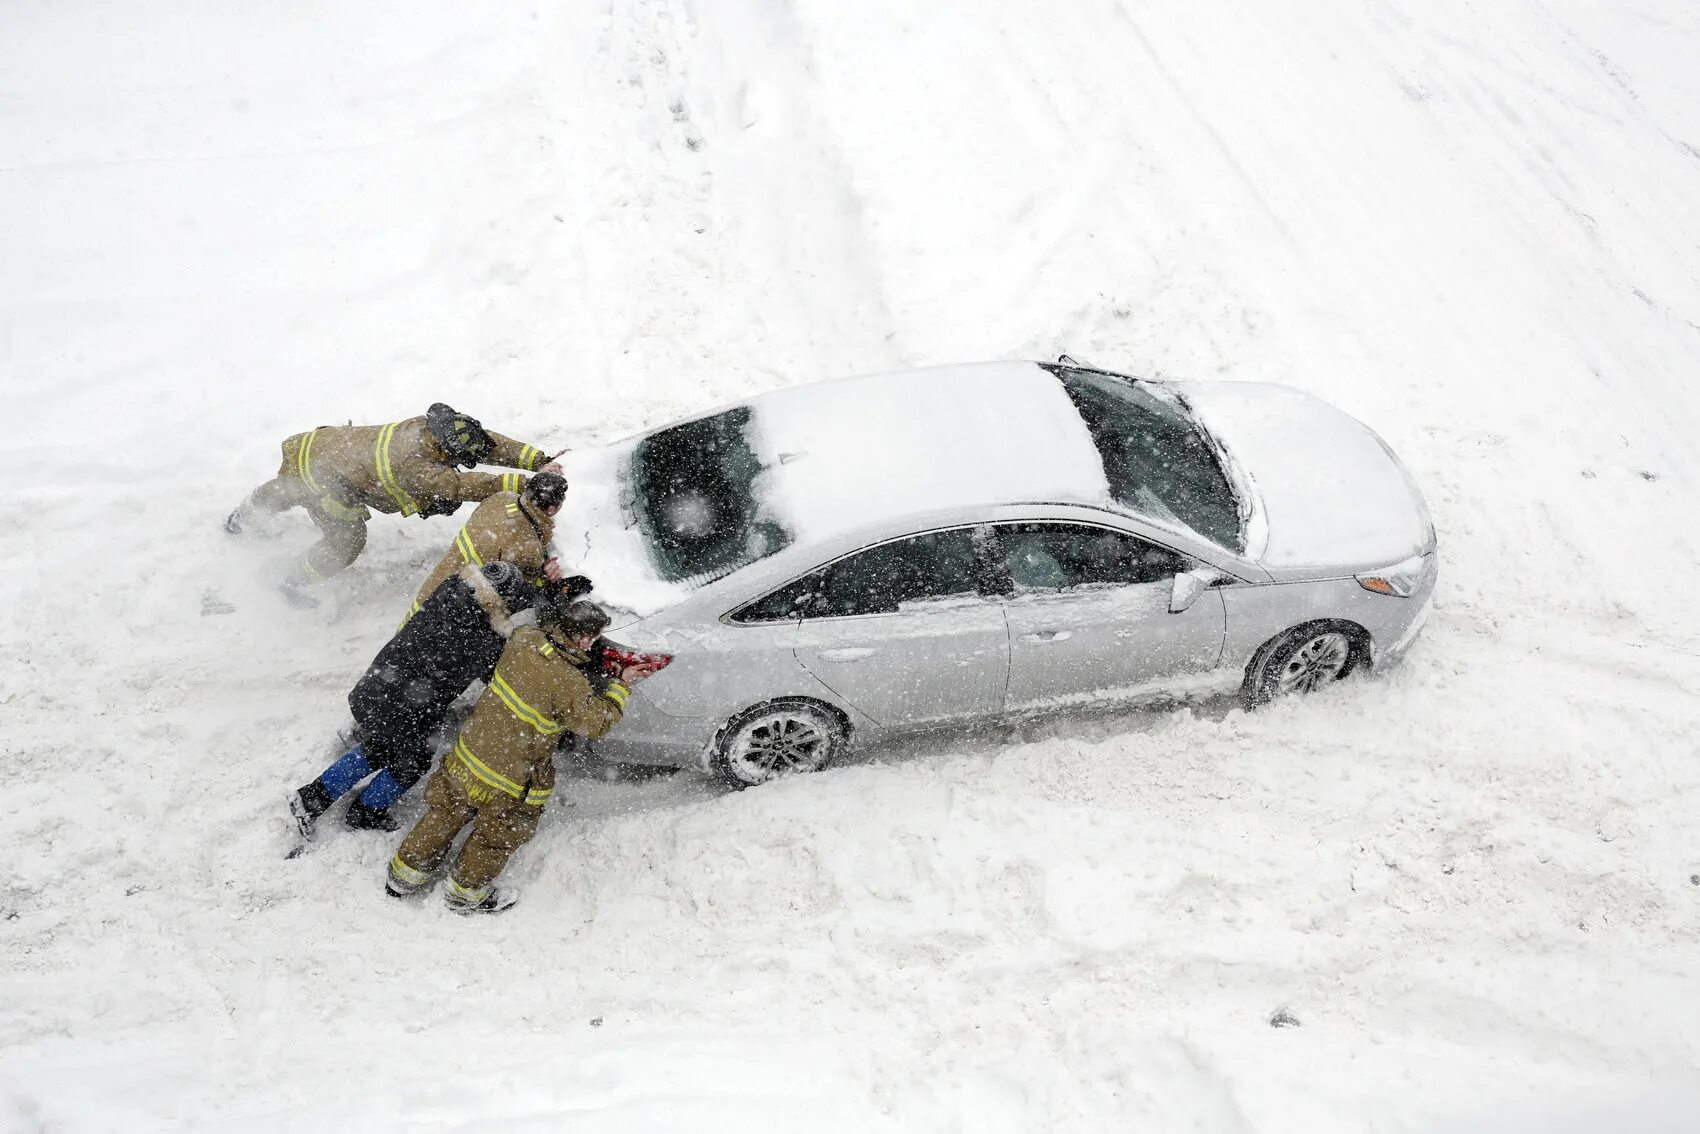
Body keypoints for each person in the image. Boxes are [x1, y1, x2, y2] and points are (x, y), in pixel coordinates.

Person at [384, 598, 655, 914]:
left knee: (445, 813)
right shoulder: (569, 683)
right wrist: (621, 685)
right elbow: (597, 723)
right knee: (495, 836)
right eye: (594, 638)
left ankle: (403, 877)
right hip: (507, 776)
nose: (594, 644)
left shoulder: (525, 638)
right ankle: (465, 895)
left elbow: (544, 668)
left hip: (471, 751)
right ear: (584, 639)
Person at [288, 561, 594, 838]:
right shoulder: (480, 642)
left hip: (380, 685)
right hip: (403, 706)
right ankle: (363, 813)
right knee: (412, 760)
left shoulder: (454, 590)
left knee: (380, 748)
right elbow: (503, 675)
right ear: (501, 602)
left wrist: (555, 591)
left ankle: (311, 799)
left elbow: (503, 599)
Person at [226, 402, 557, 605]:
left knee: (286, 488)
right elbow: (463, 485)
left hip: (318, 447)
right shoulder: (417, 468)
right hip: (326, 481)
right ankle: (287, 580)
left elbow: (483, 443)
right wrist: (530, 483)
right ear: (445, 450)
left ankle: (243, 518)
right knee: (347, 542)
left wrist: (537, 459)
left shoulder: (427, 429)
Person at [404, 471, 568, 624]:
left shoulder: (501, 499)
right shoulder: (528, 546)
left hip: (433, 589)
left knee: (406, 637)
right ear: (553, 509)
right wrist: (546, 576)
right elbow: (522, 589)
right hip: (455, 610)